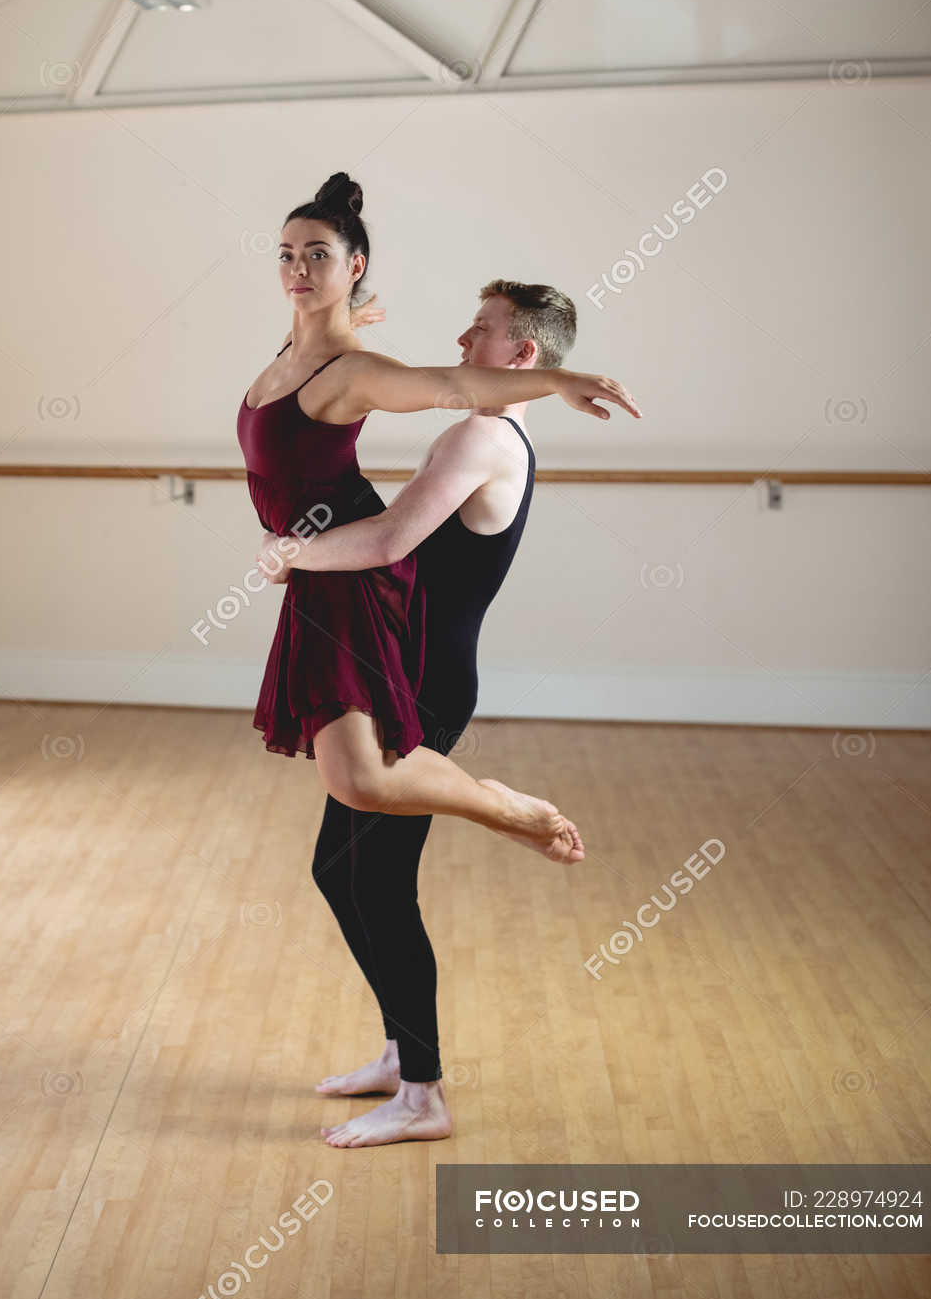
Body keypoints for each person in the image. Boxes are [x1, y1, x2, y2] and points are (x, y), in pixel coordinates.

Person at [258, 279, 602, 1147]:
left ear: (520, 355)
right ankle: (401, 1053)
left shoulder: (481, 435)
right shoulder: (497, 432)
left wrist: (290, 555)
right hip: (408, 668)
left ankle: (423, 1095)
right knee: (342, 873)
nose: (463, 337)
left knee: (379, 885)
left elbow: (386, 541)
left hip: (425, 682)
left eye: (481, 330)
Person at [236, 172, 640, 871]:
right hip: (315, 563)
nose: (297, 267)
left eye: (319, 254)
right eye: (286, 253)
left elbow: (452, 388)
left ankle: (512, 811)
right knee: (355, 789)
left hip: (343, 564)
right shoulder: (297, 353)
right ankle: (500, 810)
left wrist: (554, 380)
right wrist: (336, 315)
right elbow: (311, 332)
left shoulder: (353, 371)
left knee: (360, 781)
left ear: (355, 265)